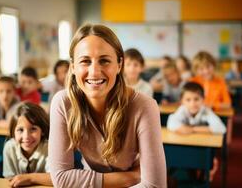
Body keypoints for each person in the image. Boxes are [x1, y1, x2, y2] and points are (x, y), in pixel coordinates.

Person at [49, 24, 166, 188]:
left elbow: (154, 186)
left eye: (104, 61)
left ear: (119, 65)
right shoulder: (62, 102)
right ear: (73, 66)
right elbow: (61, 178)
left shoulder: (145, 106)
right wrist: (130, 177)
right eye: (85, 61)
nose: (95, 72)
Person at [167, 82, 226, 181]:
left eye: (196, 99)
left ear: (203, 99)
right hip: (185, 147)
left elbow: (221, 128)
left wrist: (193, 129)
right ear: (182, 101)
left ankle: (203, 175)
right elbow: (171, 124)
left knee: (210, 161)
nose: (193, 104)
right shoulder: (182, 110)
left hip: (203, 147)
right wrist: (206, 130)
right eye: (188, 100)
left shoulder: (206, 111)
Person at [3, 102, 51, 187]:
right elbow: (9, 180)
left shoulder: (49, 148)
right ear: (13, 132)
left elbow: (54, 178)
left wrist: (29, 178)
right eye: (20, 130)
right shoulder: (9, 147)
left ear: (43, 131)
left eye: (33, 129)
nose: (26, 137)